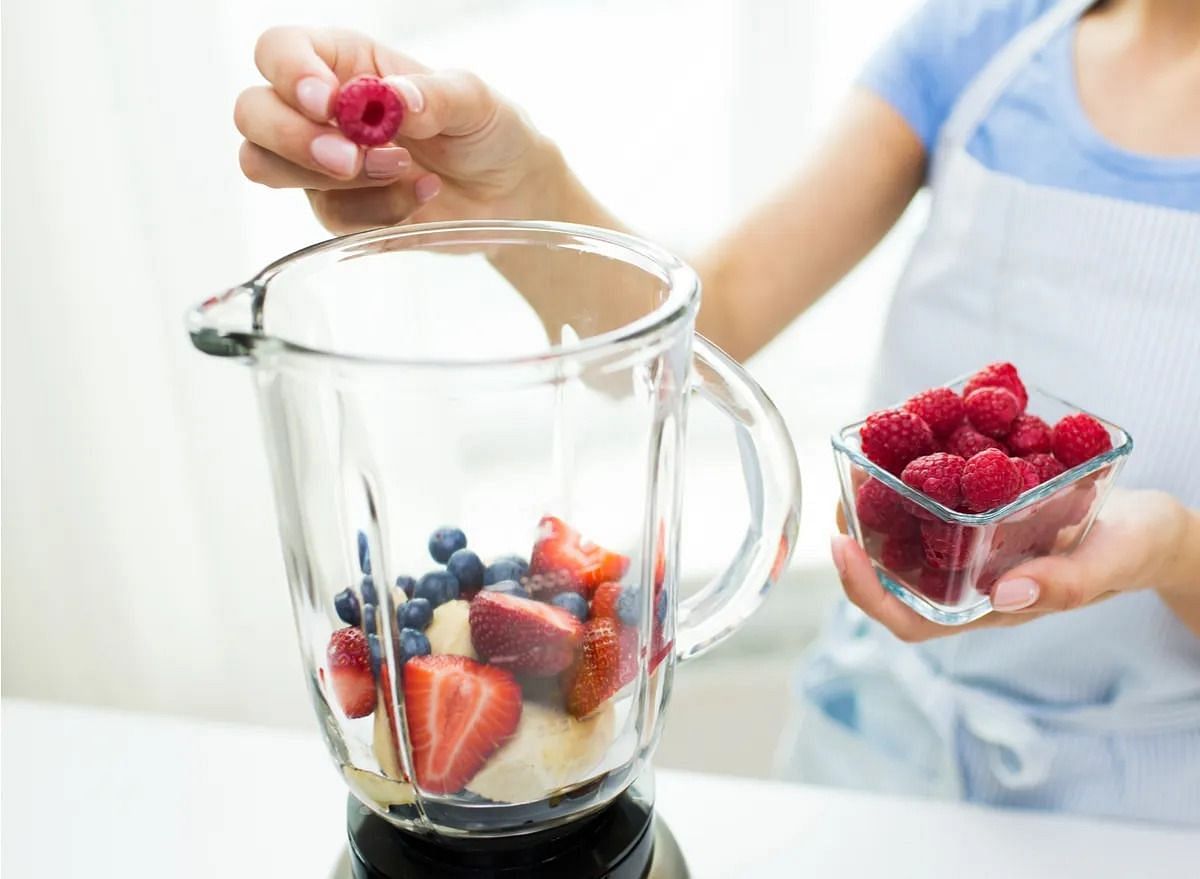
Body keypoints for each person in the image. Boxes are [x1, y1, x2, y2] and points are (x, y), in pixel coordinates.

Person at [234, 0, 1200, 823]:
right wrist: (520, 185)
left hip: (1142, 808)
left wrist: (1172, 552)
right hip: (879, 748)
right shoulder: (989, 36)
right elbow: (710, 326)